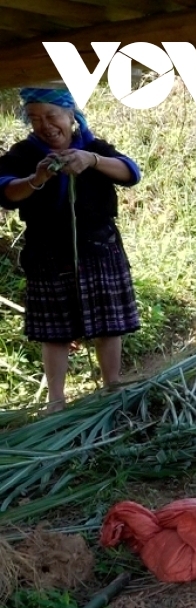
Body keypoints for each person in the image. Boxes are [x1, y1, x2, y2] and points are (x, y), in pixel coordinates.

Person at [0, 88, 142, 412]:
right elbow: (5, 190)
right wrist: (37, 178)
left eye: (51, 116)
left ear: (70, 116)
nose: (45, 126)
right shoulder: (24, 153)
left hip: (98, 248)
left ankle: (112, 389)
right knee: (56, 332)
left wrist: (91, 160)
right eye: (35, 119)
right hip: (48, 252)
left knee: (109, 324)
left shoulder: (92, 146)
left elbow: (131, 172)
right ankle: (56, 402)